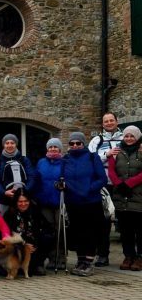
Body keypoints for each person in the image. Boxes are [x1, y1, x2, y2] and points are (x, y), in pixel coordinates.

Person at [61, 132, 107, 276]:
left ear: (83, 144)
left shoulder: (93, 157)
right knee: (77, 231)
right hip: (72, 202)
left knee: (90, 232)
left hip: (90, 201)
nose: (75, 146)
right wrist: (60, 184)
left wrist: (88, 189)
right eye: (72, 143)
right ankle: (80, 260)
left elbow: (102, 179)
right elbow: (61, 177)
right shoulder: (66, 159)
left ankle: (88, 261)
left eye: (78, 143)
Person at [88, 112, 123, 267]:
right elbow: (90, 158)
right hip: (104, 183)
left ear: (117, 121)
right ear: (102, 124)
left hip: (123, 183)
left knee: (127, 220)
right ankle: (103, 255)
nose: (109, 123)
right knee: (104, 221)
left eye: (111, 120)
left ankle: (133, 256)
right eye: (106, 121)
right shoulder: (97, 140)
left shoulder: (125, 138)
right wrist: (106, 154)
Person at [108, 125, 142, 271]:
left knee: (140, 230)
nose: (129, 139)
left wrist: (129, 183)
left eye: (132, 136)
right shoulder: (116, 151)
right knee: (125, 230)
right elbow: (111, 170)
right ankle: (128, 256)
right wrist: (118, 184)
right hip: (121, 196)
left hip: (138, 196)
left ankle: (140, 257)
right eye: (126, 136)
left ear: (137, 137)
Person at [3, 192, 53, 276]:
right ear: (16, 202)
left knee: (47, 237)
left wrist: (35, 244)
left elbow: (47, 227)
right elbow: (7, 233)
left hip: (33, 245)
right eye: (20, 201)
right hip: (17, 246)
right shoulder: (9, 214)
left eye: (26, 201)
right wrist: (24, 244)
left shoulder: (35, 212)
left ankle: (39, 264)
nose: (23, 204)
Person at [35, 138, 65, 269]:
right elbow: (36, 179)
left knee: (60, 231)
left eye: (55, 147)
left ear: (59, 149)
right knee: (49, 231)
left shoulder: (65, 162)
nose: (53, 149)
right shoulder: (41, 162)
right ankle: (51, 258)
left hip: (60, 201)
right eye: (50, 147)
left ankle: (61, 258)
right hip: (44, 201)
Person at [0, 134, 36, 216]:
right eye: (7, 143)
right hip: (3, 198)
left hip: (22, 199)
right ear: (3, 145)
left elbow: (31, 177)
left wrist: (24, 192)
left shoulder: (24, 159)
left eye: (12, 143)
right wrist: (4, 192)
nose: (9, 145)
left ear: (16, 144)